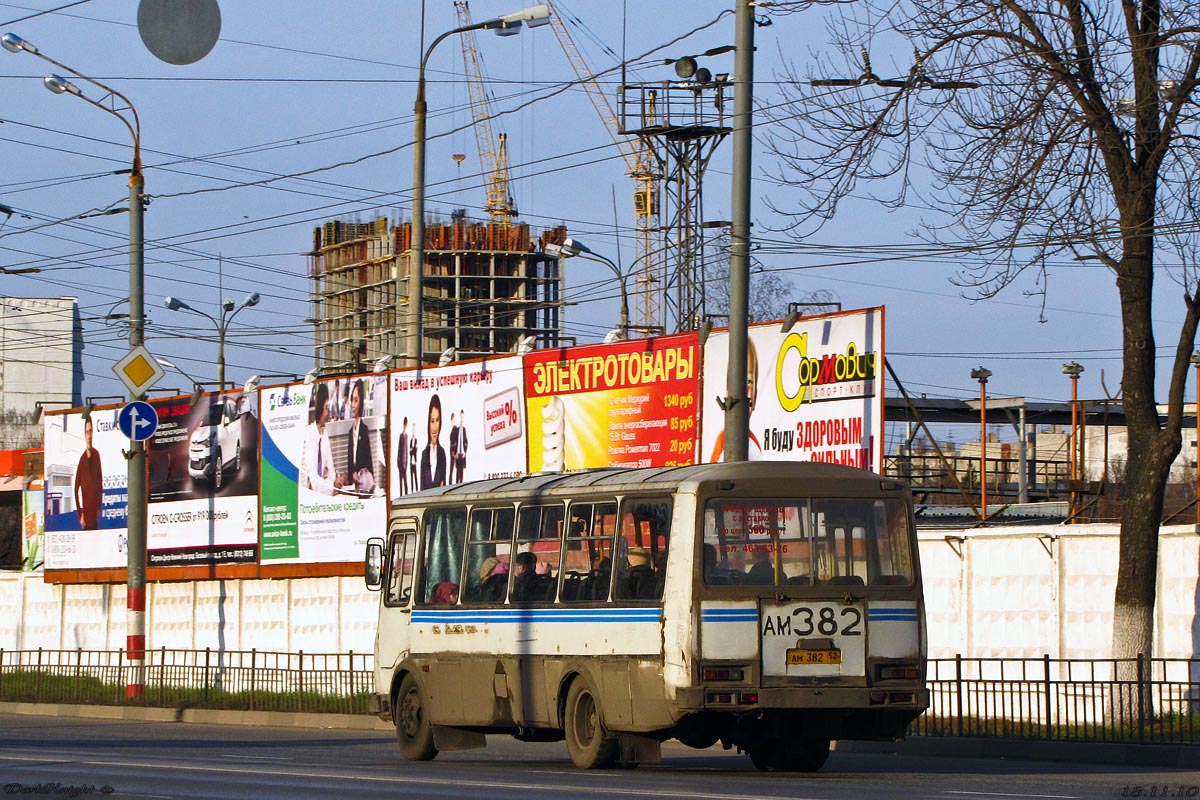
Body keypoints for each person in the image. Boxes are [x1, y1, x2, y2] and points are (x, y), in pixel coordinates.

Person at [709, 335, 764, 462]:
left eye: (748, 381)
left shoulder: (753, 443)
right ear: (727, 391)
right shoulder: (724, 439)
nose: (742, 389)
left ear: (755, 394)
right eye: (737, 381)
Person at [301, 382, 343, 495]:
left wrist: (335, 483)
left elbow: (330, 468)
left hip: (324, 495)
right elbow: (313, 476)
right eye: (326, 409)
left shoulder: (324, 434)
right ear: (319, 409)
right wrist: (331, 485)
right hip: (308, 494)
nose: (328, 413)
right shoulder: (309, 434)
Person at [73, 416, 103, 530]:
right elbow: (76, 489)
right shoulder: (82, 460)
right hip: (85, 517)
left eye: (90, 431)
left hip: (95, 517)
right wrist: (80, 514)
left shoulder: (96, 455)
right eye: (87, 432)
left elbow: (100, 484)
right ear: (84, 435)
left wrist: (98, 509)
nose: (89, 435)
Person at [346, 379, 374, 491]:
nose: (353, 405)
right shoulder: (350, 432)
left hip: (365, 483)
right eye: (352, 400)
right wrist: (352, 473)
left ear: (361, 402)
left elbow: (368, 461)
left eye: (356, 400)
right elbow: (350, 462)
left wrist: (359, 473)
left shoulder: (364, 430)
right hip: (354, 486)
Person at [419, 393, 447, 490]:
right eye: (432, 421)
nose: (435, 427)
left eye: (437, 420)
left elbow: (444, 486)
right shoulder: (424, 454)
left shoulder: (442, 453)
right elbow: (422, 487)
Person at [396, 417, 410, 495]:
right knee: (400, 480)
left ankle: (406, 494)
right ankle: (401, 495)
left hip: (405, 462)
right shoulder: (401, 435)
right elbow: (399, 449)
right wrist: (398, 461)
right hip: (400, 461)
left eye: (406, 424)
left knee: (405, 480)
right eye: (404, 424)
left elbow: (406, 450)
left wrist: (406, 462)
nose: (405, 426)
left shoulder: (406, 436)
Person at [455, 408, 468, 482]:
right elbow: (454, 441)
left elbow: (466, 441)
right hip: (458, 454)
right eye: (460, 417)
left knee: (462, 473)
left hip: (462, 454)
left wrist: (465, 452)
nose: (461, 419)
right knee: (457, 473)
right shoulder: (457, 430)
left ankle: (461, 485)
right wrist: (455, 452)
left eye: (462, 417)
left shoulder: (464, 429)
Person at [448, 412, 460, 485]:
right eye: (452, 420)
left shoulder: (456, 429)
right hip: (452, 450)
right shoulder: (453, 429)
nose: (453, 422)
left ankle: (453, 483)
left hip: (454, 451)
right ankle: (451, 483)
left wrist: (454, 452)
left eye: (454, 420)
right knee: (452, 468)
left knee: (453, 468)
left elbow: (456, 441)